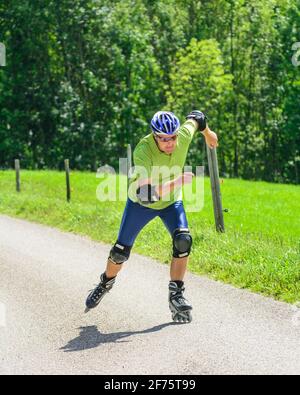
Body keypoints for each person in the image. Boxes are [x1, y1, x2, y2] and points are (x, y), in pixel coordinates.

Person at [86, 111, 218, 323]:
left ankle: (176, 294)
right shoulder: (143, 151)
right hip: (141, 204)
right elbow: (146, 195)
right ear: (154, 136)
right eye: (163, 139)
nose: (169, 143)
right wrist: (178, 182)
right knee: (120, 252)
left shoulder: (183, 136)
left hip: (171, 203)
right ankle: (105, 282)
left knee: (183, 241)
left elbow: (196, 118)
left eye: (172, 137)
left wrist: (208, 134)